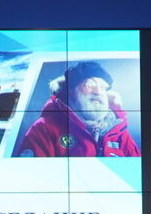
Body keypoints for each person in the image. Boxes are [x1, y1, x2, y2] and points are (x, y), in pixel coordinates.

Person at [12, 61, 141, 158]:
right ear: (71, 91)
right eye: (89, 84)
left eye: (103, 87)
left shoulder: (120, 134)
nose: (98, 91)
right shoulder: (44, 129)